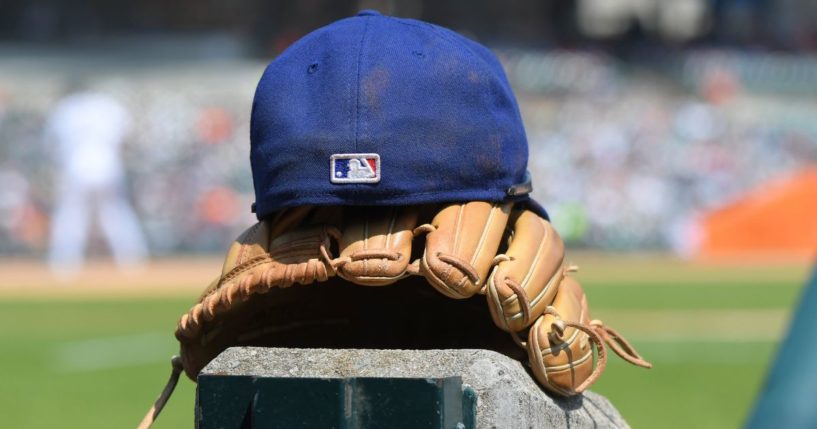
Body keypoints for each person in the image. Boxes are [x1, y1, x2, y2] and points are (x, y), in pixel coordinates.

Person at [45, 84, 148, 277]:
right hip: (108, 165)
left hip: (76, 166)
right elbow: (125, 137)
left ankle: (64, 264)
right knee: (115, 213)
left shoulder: (66, 107)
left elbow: (52, 143)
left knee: (71, 215)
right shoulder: (108, 105)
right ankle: (133, 261)